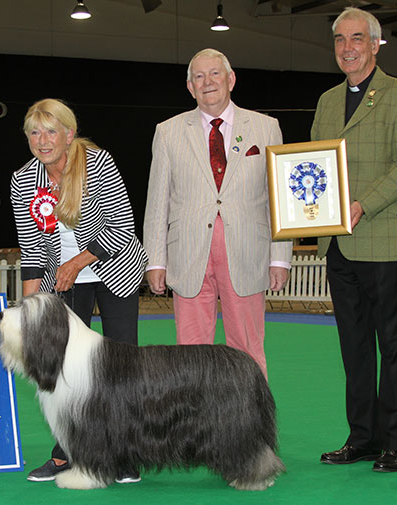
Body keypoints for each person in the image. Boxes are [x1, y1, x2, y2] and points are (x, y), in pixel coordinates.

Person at [10, 98, 147, 482]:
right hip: (64, 280)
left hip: (113, 266)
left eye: (51, 130)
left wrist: (78, 261)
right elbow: (32, 249)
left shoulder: (99, 163)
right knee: (65, 370)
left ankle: (125, 454)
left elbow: (122, 225)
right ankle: (65, 452)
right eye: (34, 132)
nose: (42, 140)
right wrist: (29, 305)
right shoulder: (23, 180)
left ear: (69, 134)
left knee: (122, 370)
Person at [143, 48, 292, 378]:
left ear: (231, 79)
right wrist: (155, 261)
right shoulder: (167, 132)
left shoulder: (267, 128)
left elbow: (278, 197)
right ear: (189, 87)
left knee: (248, 349)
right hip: (188, 255)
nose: (207, 81)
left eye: (214, 73)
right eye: (198, 76)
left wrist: (280, 256)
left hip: (248, 254)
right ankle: (196, 428)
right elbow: (157, 201)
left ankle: (252, 427)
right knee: (191, 354)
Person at [311, 7, 397, 472]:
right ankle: (362, 437)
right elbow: (311, 165)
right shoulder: (326, 101)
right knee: (355, 348)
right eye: (340, 39)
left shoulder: (396, 94)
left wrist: (363, 202)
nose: (348, 47)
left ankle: (395, 442)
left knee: (394, 346)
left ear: (376, 44)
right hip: (338, 247)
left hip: (385, 242)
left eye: (358, 39)